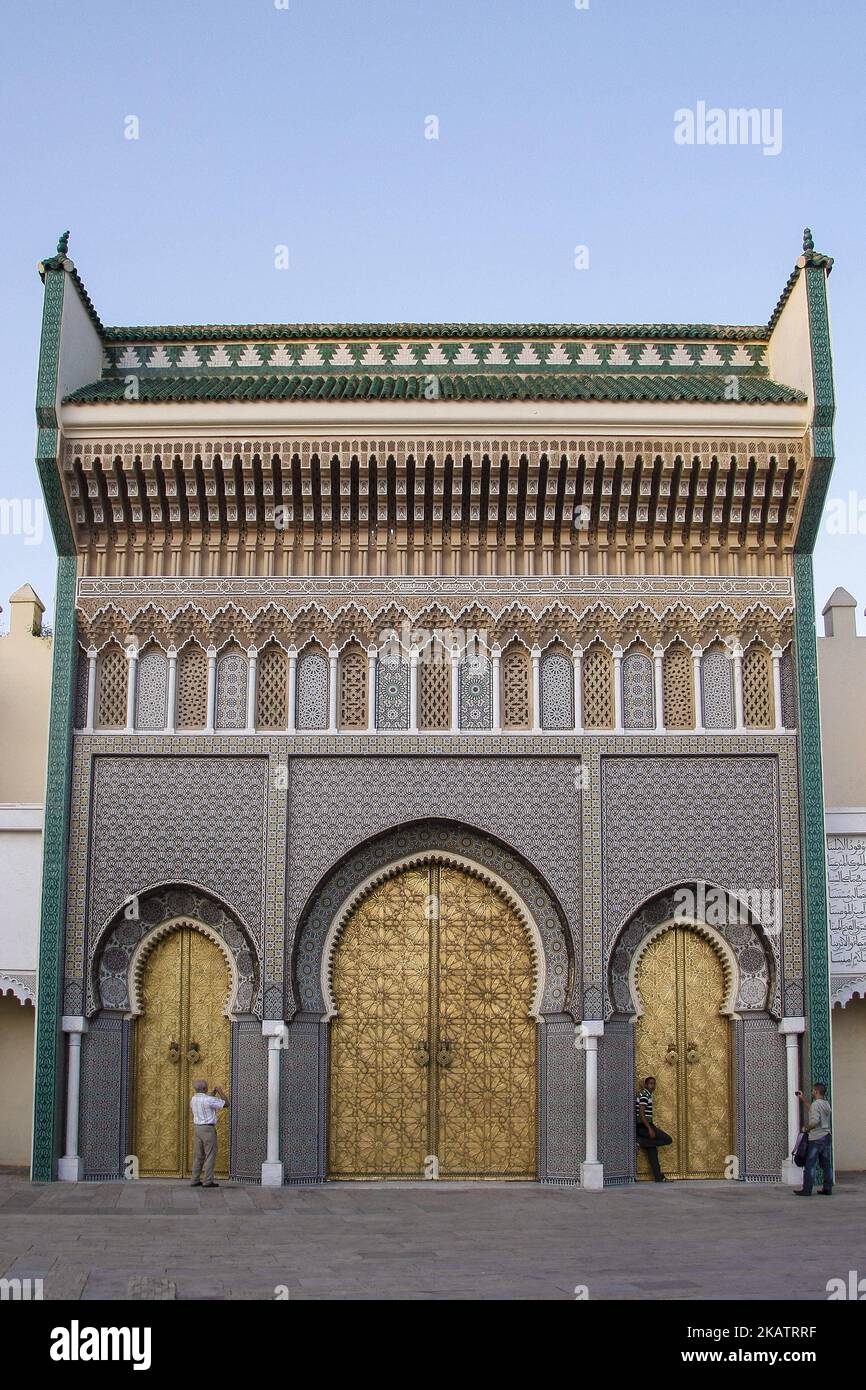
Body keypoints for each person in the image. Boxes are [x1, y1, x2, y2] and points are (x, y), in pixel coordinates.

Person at [793, 1082, 833, 1196]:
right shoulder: (826, 1104)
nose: (812, 1092)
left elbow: (815, 1121)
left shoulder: (816, 1104)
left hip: (816, 1139)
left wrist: (806, 1128)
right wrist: (804, 1099)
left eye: (813, 1090)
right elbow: (814, 1110)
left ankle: (807, 1189)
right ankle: (827, 1188)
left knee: (810, 1164)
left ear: (816, 1091)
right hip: (826, 1137)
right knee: (826, 1165)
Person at [189, 1078, 229, 1188]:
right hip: (207, 1129)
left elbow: (206, 1098)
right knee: (210, 1154)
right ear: (205, 1088)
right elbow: (226, 1103)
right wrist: (220, 1091)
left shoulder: (193, 1099)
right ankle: (207, 1181)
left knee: (198, 1155)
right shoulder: (208, 1100)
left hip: (197, 1128)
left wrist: (212, 1093)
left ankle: (194, 1179)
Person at [636, 1075, 673, 1182]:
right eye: (650, 1083)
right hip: (644, 1127)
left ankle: (658, 1177)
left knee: (653, 1152)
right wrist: (650, 1128)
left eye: (654, 1083)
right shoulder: (644, 1095)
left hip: (645, 1126)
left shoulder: (646, 1094)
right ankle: (641, 1142)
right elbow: (642, 1114)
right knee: (667, 1139)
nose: (653, 1086)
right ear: (646, 1084)